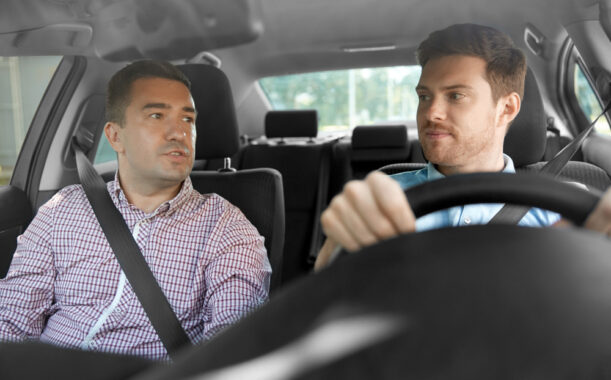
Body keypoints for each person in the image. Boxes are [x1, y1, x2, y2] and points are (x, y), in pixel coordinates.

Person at [0, 60, 272, 360]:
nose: (179, 133)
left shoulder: (227, 228)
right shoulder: (63, 209)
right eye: (157, 115)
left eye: (188, 119)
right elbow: (12, 319)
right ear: (115, 136)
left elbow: (229, 352)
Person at [315, 23, 611, 270]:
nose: (431, 113)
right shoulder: (380, 203)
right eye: (424, 97)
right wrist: (333, 255)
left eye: (455, 96)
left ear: (506, 108)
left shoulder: (565, 209)